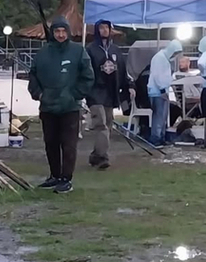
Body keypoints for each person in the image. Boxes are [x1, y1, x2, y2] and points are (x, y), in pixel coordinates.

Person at [28, 16, 94, 194]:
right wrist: (39, 94)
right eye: (57, 31)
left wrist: (75, 95)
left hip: (69, 107)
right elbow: (32, 75)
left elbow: (88, 76)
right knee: (50, 142)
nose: (60, 34)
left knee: (69, 144)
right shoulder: (42, 53)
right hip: (48, 106)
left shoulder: (78, 51)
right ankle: (54, 175)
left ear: (68, 32)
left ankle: (66, 179)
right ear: (53, 32)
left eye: (63, 31)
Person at [85, 19, 135, 170]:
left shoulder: (115, 50)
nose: (104, 30)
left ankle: (95, 155)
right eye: (101, 27)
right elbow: (85, 71)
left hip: (110, 92)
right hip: (95, 92)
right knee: (101, 125)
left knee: (108, 125)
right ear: (97, 30)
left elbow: (122, 71)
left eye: (106, 27)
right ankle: (102, 157)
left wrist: (129, 86)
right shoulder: (90, 50)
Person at [146, 40, 183, 148]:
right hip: (157, 91)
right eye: (175, 53)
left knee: (162, 116)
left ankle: (161, 137)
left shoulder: (163, 58)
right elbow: (158, 76)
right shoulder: (160, 58)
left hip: (161, 90)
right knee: (159, 116)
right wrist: (162, 90)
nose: (175, 56)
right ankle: (155, 138)